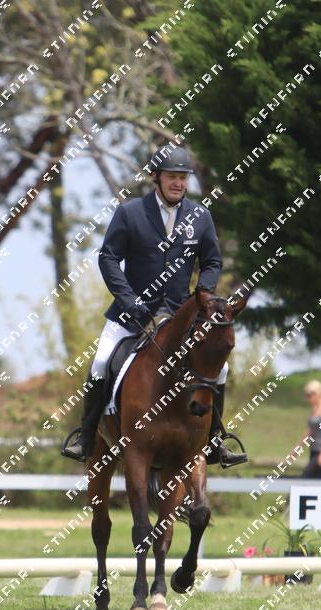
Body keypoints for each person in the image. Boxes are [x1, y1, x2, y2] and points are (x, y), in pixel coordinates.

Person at [61, 144, 248, 468]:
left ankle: (215, 440)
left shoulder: (200, 216)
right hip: (130, 316)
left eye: (183, 177)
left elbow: (212, 261)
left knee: (222, 369)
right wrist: (129, 300)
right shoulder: (130, 212)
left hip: (179, 316)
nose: (178, 183)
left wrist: (203, 296)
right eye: (172, 176)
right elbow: (108, 258)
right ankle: (86, 436)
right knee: (101, 362)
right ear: (155, 177)